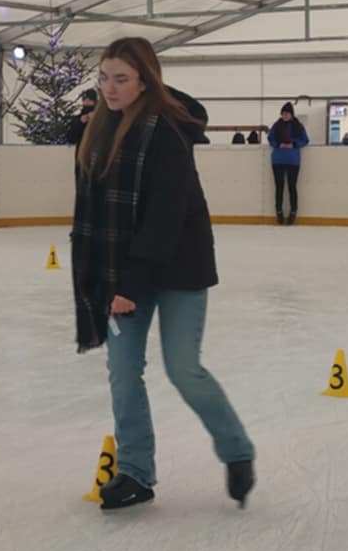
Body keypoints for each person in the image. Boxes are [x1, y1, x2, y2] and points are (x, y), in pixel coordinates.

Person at [70, 38, 255, 512]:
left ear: (145, 81)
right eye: (104, 78)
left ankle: (236, 449)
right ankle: (135, 472)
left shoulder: (168, 133)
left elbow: (165, 216)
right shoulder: (99, 130)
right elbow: (95, 212)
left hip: (177, 267)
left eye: (121, 79)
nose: (109, 88)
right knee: (123, 372)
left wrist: (130, 284)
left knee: (183, 369)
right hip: (122, 270)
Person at [267, 101, 309, 224]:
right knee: (279, 187)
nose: (284, 115)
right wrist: (278, 144)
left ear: (291, 114)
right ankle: (279, 212)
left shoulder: (298, 126)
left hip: (293, 161)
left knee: (292, 187)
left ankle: (293, 212)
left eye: (287, 113)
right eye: (283, 113)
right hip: (278, 160)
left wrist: (294, 144)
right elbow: (270, 138)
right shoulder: (276, 126)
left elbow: (305, 140)